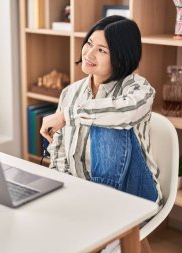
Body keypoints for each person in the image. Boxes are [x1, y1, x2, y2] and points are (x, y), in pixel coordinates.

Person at [40, 15, 162, 206]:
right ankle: (94, 205)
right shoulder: (70, 93)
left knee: (106, 122)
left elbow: (123, 113)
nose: (89, 54)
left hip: (135, 193)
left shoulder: (141, 89)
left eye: (101, 50)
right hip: (84, 191)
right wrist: (62, 189)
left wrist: (67, 116)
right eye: (89, 43)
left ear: (121, 58)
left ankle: (102, 206)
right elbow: (59, 150)